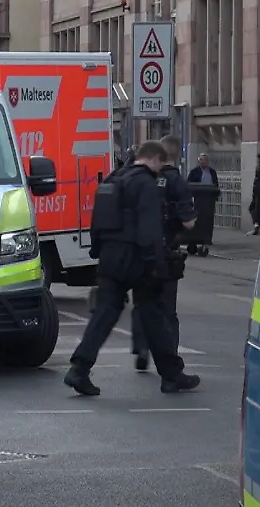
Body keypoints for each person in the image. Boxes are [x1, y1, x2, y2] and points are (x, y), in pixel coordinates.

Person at [64, 140, 200, 396]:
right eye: (161, 165)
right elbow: (149, 229)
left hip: (110, 258)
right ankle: (172, 375)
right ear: (156, 159)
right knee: (154, 314)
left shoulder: (114, 179)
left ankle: (79, 369)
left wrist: (98, 251)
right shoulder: (146, 184)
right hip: (137, 259)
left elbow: (97, 221)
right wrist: (156, 264)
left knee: (104, 315)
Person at [131, 135, 196, 372]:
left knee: (142, 304)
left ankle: (142, 347)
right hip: (167, 251)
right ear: (176, 155)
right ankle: (170, 356)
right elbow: (188, 222)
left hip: (141, 251)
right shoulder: (178, 182)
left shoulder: (144, 179)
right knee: (168, 309)